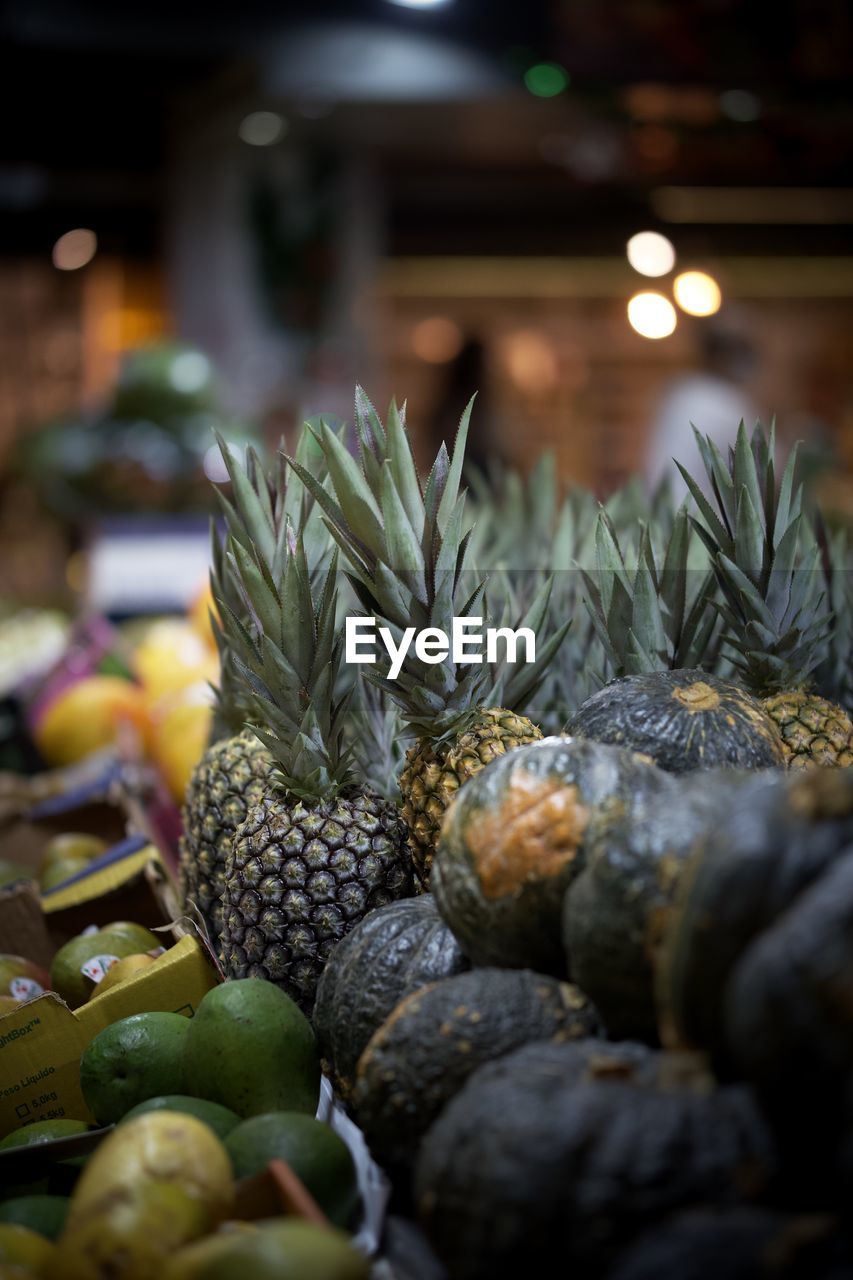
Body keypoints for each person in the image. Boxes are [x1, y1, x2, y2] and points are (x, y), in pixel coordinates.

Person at [645, 322, 760, 504]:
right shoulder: (731, 402)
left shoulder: (677, 392)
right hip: (707, 519)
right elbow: (764, 466)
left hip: (660, 508)